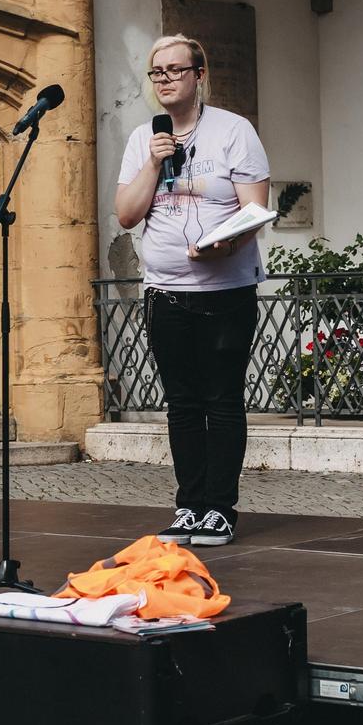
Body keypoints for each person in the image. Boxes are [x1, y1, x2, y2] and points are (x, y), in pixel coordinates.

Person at [115, 34, 270, 547]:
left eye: (174, 70)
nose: (164, 79)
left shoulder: (233, 131)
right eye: (156, 72)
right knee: (181, 404)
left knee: (221, 400)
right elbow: (127, 213)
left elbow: (255, 210)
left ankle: (220, 510)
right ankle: (189, 506)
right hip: (165, 293)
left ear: (199, 75)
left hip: (225, 292)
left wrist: (225, 247)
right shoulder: (144, 139)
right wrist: (155, 162)